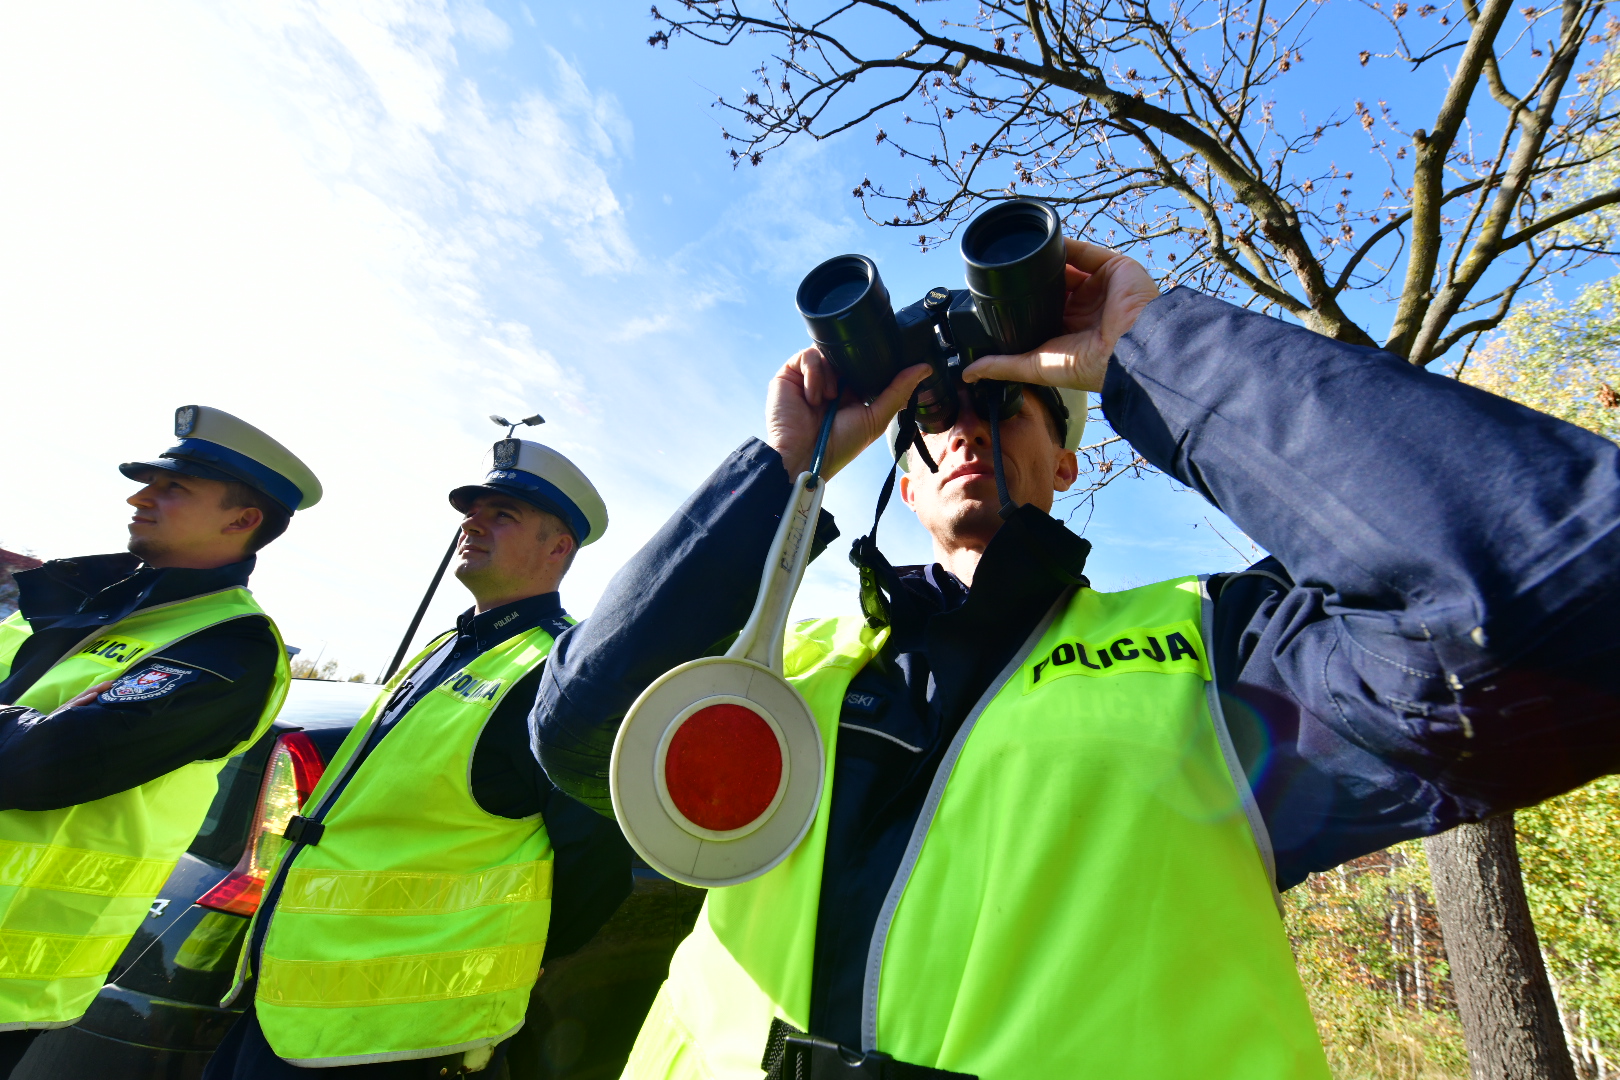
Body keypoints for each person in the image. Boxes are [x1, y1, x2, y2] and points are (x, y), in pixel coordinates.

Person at [530, 240, 1620, 1079]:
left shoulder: (1217, 650)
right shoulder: (782, 671)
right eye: (932, 421)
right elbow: (578, 734)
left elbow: (1563, 607)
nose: (964, 429)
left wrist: (1151, 348)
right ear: (900, 483)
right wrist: (783, 466)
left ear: (1067, 458)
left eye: (1007, 403)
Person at [204, 437, 632, 1079]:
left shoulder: (556, 675)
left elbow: (592, 864)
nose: (472, 524)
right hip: (294, 1003)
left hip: (402, 1033)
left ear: (558, 548)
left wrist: (495, 963)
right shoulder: (448, 646)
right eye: (472, 510)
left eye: (503, 515)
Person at [0, 406, 320, 1077]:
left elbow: (37, 767)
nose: (139, 497)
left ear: (242, 521)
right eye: (148, 481)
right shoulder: (85, 598)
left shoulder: (230, 646)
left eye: (172, 487)